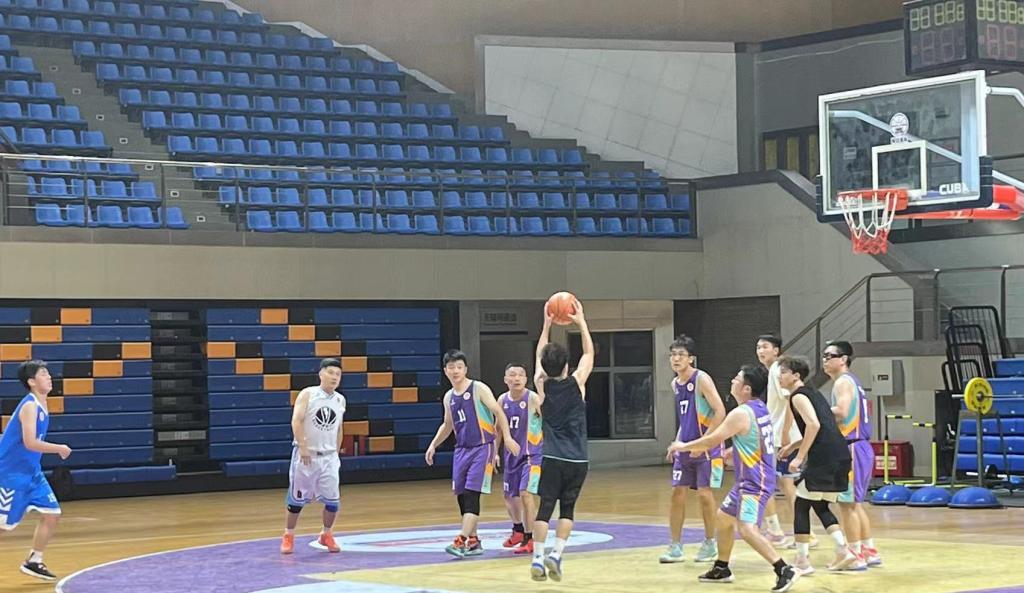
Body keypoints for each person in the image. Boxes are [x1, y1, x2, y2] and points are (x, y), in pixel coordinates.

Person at [668, 364, 799, 593]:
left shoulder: (740, 414)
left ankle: (784, 569)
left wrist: (682, 446)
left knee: (746, 529)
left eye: (737, 379)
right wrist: (733, 451)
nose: (732, 381)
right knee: (723, 518)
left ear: (746, 389)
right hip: (749, 479)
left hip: (755, 482)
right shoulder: (759, 408)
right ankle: (722, 567)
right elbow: (753, 438)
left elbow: (712, 440)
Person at [425, 350, 519, 558]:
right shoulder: (449, 397)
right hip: (461, 449)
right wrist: (433, 445)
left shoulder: (478, 388)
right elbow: (448, 424)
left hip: (482, 447)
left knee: (471, 494)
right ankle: (474, 541)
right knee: (461, 495)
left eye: (459, 367)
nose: (455, 371)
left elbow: (499, 412)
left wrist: (507, 438)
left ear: (465, 369)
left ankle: (461, 540)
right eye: (451, 367)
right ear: (445, 371)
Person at [776, 355, 860, 574]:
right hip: (839, 454)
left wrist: (799, 457)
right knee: (820, 505)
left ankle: (802, 560)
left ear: (796, 376)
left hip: (824, 457)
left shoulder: (798, 396)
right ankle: (843, 550)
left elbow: (813, 425)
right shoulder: (814, 393)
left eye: (783, 372)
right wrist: (793, 446)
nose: (779, 376)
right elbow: (823, 425)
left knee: (801, 505)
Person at [530, 298, 594, 582]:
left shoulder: (541, 386)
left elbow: (539, 355)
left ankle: (537, 558)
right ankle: (556, 554)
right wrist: (581, 322)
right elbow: (589, 353)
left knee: (545, 508)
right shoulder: (577, 383)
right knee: (567, 509)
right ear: (567, 365)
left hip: (551, 457)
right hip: (577, 459)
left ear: (545, 367)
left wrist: (546, 325)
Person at [0, 360, 72, 581]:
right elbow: (30, 442)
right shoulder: (30, 406)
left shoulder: (42, 404)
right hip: (11, 475)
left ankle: (34, 560)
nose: (49, 377)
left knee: (52, 514)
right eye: (43, 373)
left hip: (32, 473)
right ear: (31, 381)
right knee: (3, 527)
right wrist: (59, 448)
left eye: (48, 373)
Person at [660, 335, 725, 564]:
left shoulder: (701, 379)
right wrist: (677, 443)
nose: (676, 359)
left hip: (707, 447)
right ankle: (675, 546)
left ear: (691, 359)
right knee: (677, 493)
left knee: (705, 494)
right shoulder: (675, 384)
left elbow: (720, 411)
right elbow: (686, 419)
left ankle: (710, 543)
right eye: (673, 355)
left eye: (681, 355)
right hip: (686, 447)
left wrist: (704, 442)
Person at [823, 340, 882, 568]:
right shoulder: (852, 381)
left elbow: (841, 412)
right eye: (824, 356)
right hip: (860, 447)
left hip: (852, 447)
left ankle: (855, 555)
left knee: (846, 505)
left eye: (829, 356)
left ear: (844, 359)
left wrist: (815, 410)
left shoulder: (843, 382)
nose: (825, 360)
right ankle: (869, 550)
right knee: (855, 504)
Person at [280, 358, 347, 555]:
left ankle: (326, 534)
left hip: (329, 457)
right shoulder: (308, 394)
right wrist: (303, 446)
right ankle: (288, 535)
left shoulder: (340, 400)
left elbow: (339, 428)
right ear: (321, 374)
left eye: (338, 374)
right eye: (331, 373)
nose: (334, 377)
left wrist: (336, 452)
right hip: (307, 455)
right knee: (296, 501)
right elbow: (296, 420)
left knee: (333, 501)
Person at [755, 335, 804, 549]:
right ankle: (797, 532)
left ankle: (788, 532)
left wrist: (785, 434)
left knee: (775, 483)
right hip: (779, 436)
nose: (760, 351)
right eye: (758, 347)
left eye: (765, 347)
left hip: (781, 438)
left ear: (776, 350)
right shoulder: (773, 371)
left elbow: (789, 400)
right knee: (783, 484)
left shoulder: (777, 369)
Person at [494, 362, 543, 555]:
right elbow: (498, 429)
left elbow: (547, 419)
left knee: (526, 494)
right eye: (512, 375)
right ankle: (518, 530)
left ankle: (530, 538)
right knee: (509, 496)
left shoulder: (533, 398)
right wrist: (494, 453)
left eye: (520, 375)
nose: (516, 378)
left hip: (531, 455)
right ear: (505, 380)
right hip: (511, 456)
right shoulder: (502, 400)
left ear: (526, 379)